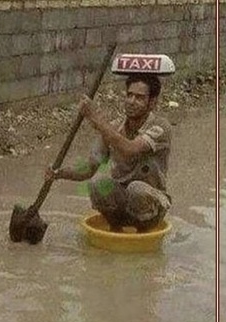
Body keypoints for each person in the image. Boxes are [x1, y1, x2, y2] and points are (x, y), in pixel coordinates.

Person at [46, 73, 172, 232]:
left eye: (139, 98)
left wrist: (96, 119)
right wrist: (58, 173)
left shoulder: (160, 127)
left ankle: (142, 235)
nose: (132, 101)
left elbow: (130, 149)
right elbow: (89, 168)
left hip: (150, 207)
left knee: (136, 189)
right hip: (122, 202)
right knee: (97, 184)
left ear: (152, 103)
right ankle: (115, 229)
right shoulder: (114, 128)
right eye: (129, 95)